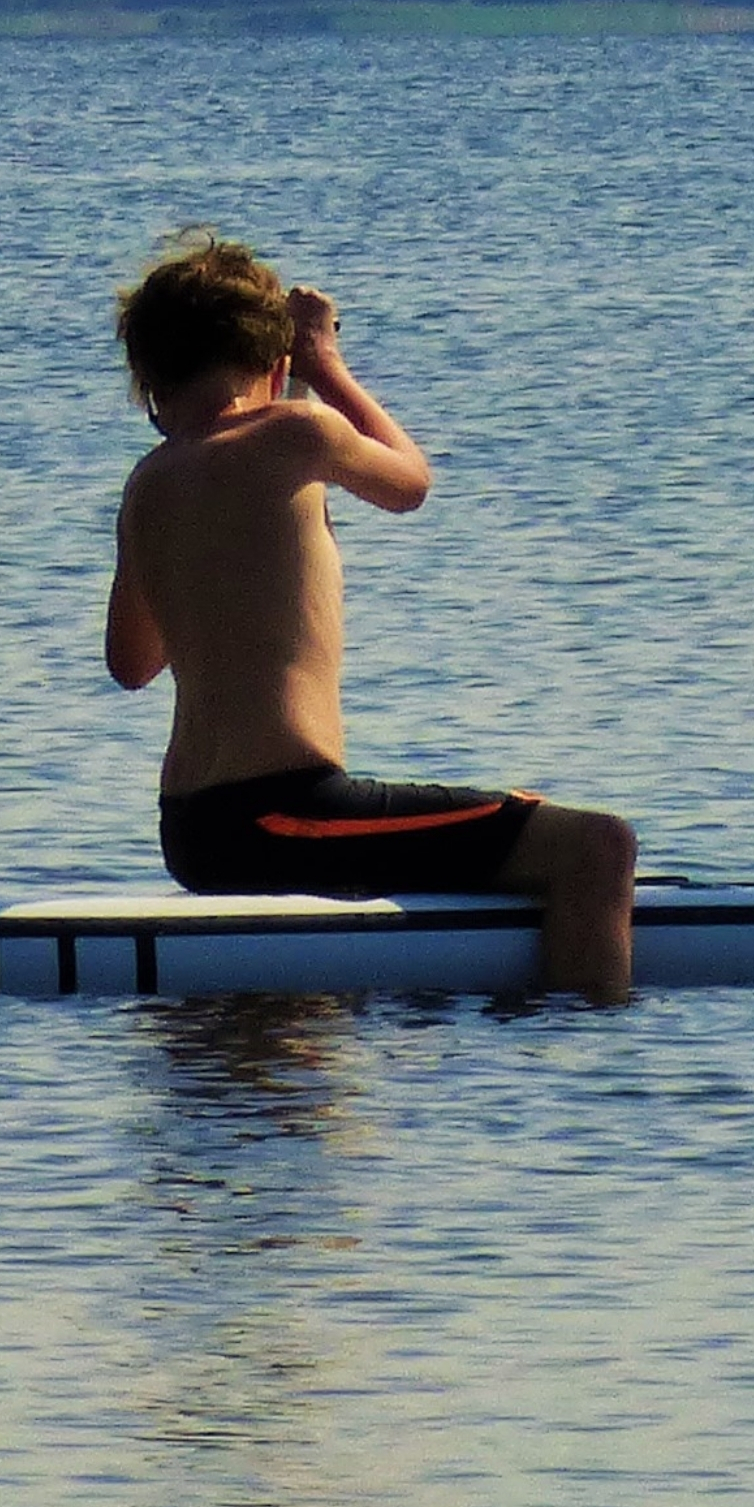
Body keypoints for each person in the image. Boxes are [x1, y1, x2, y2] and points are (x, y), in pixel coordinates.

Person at [99, 232, 641, 1000]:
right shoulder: (299, 430)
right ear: (275, 363)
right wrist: (329, 365)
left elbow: (132, 663)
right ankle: (598, 1080)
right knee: (596, 846)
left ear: (149, 377)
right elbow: (409, 483)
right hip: (281, 817)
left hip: (188, 831)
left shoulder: (147, 485)